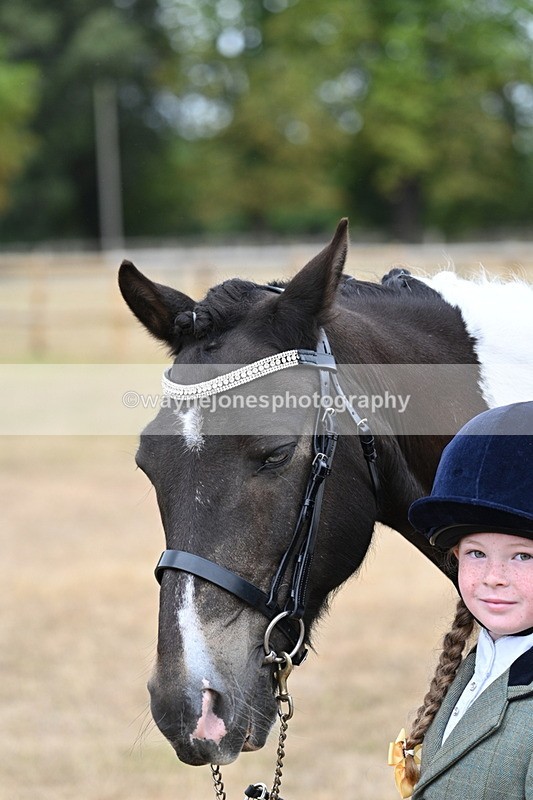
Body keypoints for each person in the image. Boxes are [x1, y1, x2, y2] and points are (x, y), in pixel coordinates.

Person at [388, 401, 533, 799]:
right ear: (455, 558)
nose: (493, 578)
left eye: (522, 555)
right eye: (476, 554)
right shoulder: (475, 668)